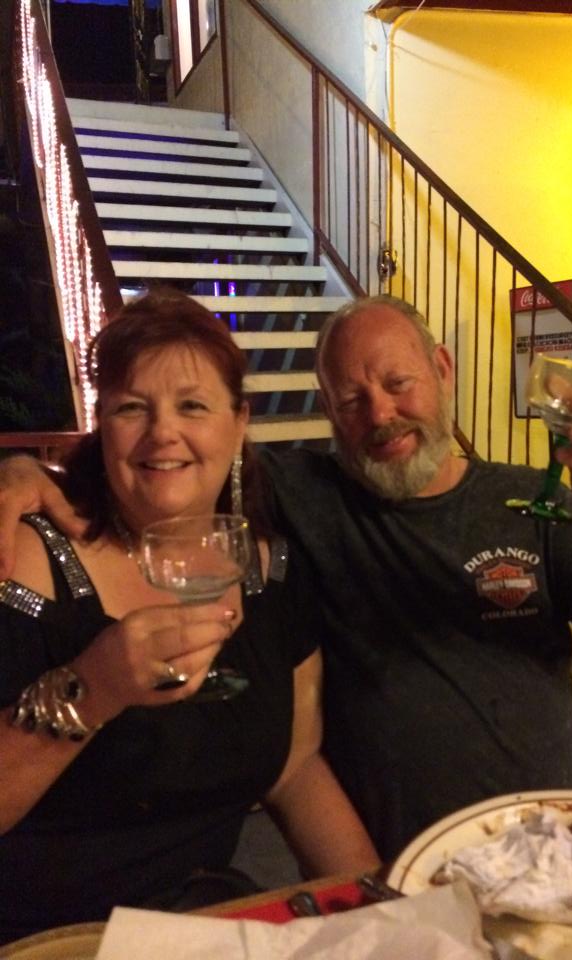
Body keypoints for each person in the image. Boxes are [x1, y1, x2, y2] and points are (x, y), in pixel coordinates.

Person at [0, 295, 572, 864]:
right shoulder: (303, 499)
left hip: (559, 842)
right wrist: (32, 472)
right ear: (329, 411)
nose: (380, 414)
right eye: (352, 399)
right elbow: (171, 474)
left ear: (442, 369)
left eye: (398, 383)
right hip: (413, 861)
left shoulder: (529, 502)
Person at [0, 291, 379, 945]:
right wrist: (94, 688)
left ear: (238, 423)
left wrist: (379, 905)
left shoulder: (272, 567)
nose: (162, 433)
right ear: (101, 424)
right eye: (131, 408)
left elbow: (295, 765)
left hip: (199, 922)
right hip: (47, 935)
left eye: (193, 406)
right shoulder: (27, 559)